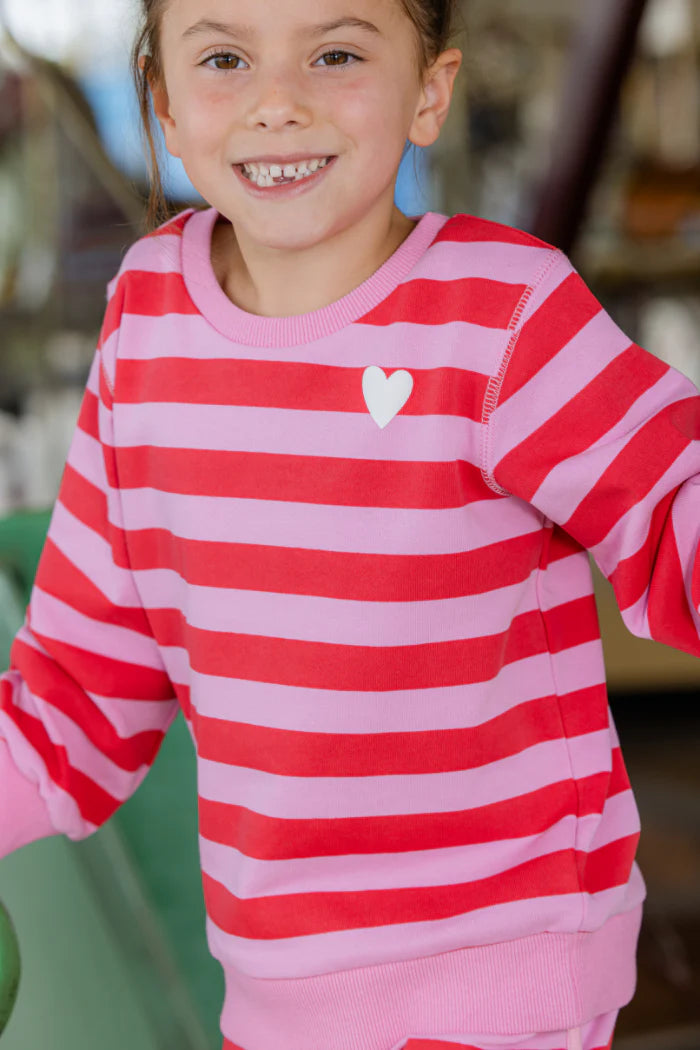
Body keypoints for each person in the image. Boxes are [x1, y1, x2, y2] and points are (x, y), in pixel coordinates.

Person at [1, 0, 699, 1047]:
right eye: (226, 58)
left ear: (429, 90)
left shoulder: (501, 312)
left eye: (334, 53)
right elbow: (82, 685)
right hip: (279, 997)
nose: (278, 104)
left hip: (497, 978)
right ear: (165, 107)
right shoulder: (145, 322)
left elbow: (675, 508)